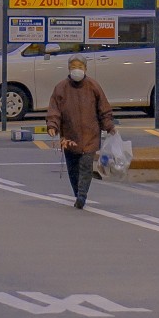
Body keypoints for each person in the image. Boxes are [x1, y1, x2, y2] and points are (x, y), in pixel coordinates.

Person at [47, 55, 115, 209]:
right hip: (70, 136)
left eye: (79, 66)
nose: (76, 70)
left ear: (85, 68)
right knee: (73, 169)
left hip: (90, 136)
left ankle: (82, 195)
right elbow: (54, 110)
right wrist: (52, 125)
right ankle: (77, 193)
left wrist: (109, 126)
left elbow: (103, 109)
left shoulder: (93, 86)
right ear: (68, 69)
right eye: (73, 67)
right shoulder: (61, 88)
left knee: (85, 167)